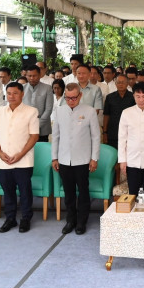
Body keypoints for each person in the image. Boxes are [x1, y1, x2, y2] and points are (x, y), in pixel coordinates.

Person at [51, 83, 101, 235]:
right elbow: (55, 136)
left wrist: (94, 158)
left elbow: (96, 136)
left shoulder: (90, 111)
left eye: (74, 98)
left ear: (80, 95)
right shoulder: (59, 111)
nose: (71, 101)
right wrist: (54, 157)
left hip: (83, 159)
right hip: (64, 158)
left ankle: (81, 222)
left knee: (83, 192)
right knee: (69, 192)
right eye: (68, 98)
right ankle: (70, 220)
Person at [0, 82, 39, 233]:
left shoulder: (31, 111)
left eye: (15, 93)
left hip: (23, 160)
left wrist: (20, 154)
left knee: (25, 191)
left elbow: (34, 136)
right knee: (8, 190)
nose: (11, 96)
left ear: (22, 94)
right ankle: (10, 218)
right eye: (9, 93)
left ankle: (25, 218)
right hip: (4, 159)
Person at [22, 64, 53, 142]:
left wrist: (37, 125)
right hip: (25, 127)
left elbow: (48, 109)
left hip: (42, 128)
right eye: (29, 76)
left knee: (41, 148)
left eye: (34, 76)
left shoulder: (47, 88)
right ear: (26, 76)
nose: (32, 78)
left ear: (39, 75)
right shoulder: (21, 88)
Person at [103, 73, 135, 148]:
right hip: (113, 132)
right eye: (118, 82)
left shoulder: (133, 97)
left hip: (129, 132)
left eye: (123, 82)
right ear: (115, 84)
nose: (120, 84)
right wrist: (105, 132)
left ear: (127, 83)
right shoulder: (110, 97)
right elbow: (106, 115)